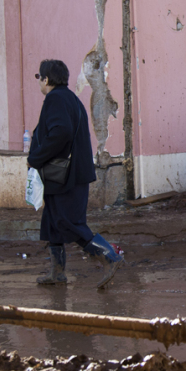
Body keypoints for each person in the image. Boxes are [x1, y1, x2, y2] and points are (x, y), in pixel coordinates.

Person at [27, 59, 124, 287]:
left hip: (65, 176)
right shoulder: (70, 98)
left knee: (69, 222)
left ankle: (109, 256)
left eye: (40, 77)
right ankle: (57, 273)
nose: (39, 82)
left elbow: (61, 132)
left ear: (46, 79)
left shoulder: (55, 99)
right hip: (68, 174)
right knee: (53, 221)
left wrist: (35, 158)